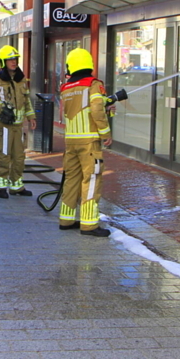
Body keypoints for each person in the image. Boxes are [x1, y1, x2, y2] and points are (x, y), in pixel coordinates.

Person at [58, 48, 112, 237]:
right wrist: (105, 132)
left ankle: (66, 219)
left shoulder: (66, 87)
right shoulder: (93, 84)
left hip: (70, 140)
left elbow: (71, 111)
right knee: (91, 179)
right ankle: (89, 225)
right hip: (89, 140)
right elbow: (96, 109)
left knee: (71, 179)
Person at [0, 46, 36, 199]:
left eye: (15, 59)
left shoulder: (21, 79)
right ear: (2, 62)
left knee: (19, 157)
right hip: (2, 126)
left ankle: (16, 185)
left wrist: (31, 117)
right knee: (4, 156)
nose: (13, 62)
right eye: (10, 59)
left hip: (17, 126)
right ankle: (0, 186)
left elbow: (26, 101)